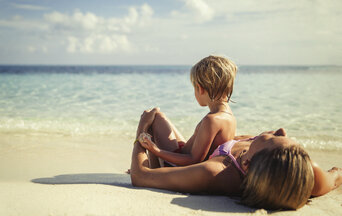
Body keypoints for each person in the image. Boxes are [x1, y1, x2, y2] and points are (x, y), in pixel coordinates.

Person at [130, 109, 342, 210]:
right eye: (287, 140)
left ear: (247, 163)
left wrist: (142, 130)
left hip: (185, 165)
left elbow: (140, 177)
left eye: (274, 138)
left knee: (154, 116)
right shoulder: (302, 170)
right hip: (201, 155)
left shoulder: (216, 171)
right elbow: (336, 175)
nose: (281, 130)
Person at [141, 55, 238, 167]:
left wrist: (155, 150)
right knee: (160, 116)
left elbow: (193, 159)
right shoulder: (228, 115)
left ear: (200, 88)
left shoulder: (212, 120)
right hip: (184, 155)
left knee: (155, 117)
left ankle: (153, 169)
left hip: (180, 166)